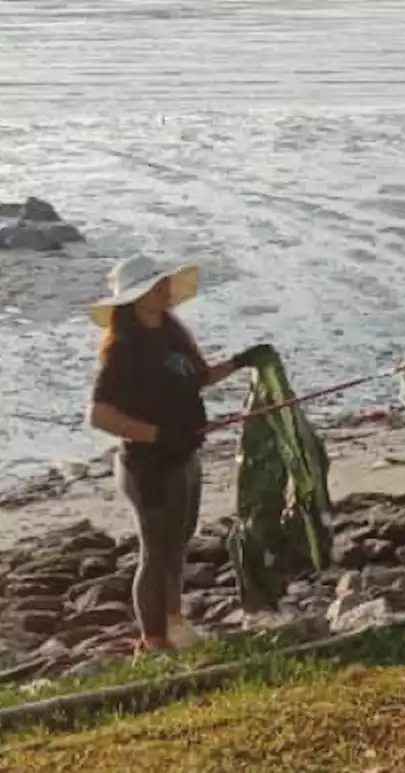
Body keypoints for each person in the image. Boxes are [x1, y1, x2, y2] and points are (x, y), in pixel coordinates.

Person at [87, 256, 268, 652]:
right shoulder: (124, 350)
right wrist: (155, 435)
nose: (165, 289)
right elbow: (99, 414)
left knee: (179, 543)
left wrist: (241, 362)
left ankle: (174, 619)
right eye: (157, 286)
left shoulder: (172, 335)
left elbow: (196, 379)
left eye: (165, 283)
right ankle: (153, 641)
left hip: (185, 456)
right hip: (147, 465)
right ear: (135, 300)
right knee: (155, 550)